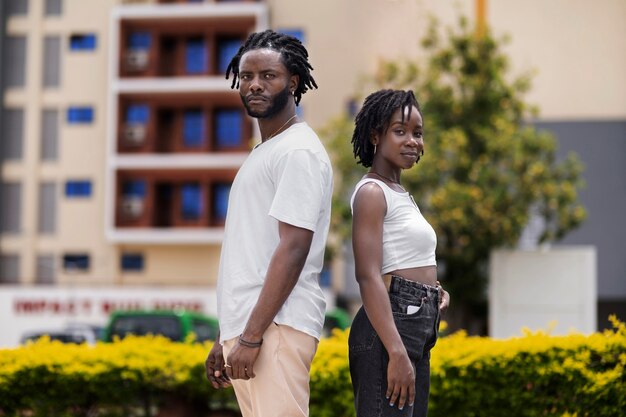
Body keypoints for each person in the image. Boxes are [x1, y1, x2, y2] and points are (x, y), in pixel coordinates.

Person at [204, 30, 333, 417]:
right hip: (253, 329)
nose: (254, 84)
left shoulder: (298, 151)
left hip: (275, 327)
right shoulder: (267, 151)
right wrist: (225, 335)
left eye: (268, 75)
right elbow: (251, 252)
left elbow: (293, 248)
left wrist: (252, 334)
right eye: (246, 76)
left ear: (293, 82)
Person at [348, 89, 450, 417]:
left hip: (415, 325)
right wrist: (396, 351)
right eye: (400, 131)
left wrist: (433, 293)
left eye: (418, 133)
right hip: (390, 331)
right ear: (376, 136)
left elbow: (405, 260)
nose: (412, 141)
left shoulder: (400, 193)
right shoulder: (372, 193)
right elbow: (367, 275)